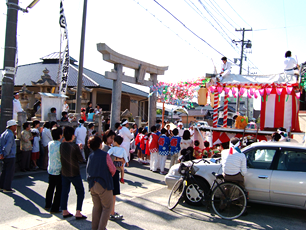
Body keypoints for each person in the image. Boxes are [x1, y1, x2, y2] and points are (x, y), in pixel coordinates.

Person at [87, 135, 116, 230]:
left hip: (92, 183)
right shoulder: (105, 155)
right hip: (103, 183)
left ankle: (94, 227)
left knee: (96, 207)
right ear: (100, 145)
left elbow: (87, 169)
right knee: (107, 207)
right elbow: (112, 169)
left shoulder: (90, 156)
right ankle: (101, 228)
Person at [60, 126, 86, 219]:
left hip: (64, 171)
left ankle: (64, 210)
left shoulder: (62, 145)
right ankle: (78, 212)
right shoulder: (74, 146)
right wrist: (79, 148)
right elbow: (81, 159)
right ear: (72, 135)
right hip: (74, 171)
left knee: (65, 191)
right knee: (80, 191)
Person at [101, 129, 123, 221]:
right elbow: (112, 159)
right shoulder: (106, 148)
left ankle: (110, 211)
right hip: (112, 172)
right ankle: (112, 212)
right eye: (111, 138)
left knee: (109, 194)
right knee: (113, 194)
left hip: (108, 173)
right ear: (106, 137)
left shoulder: (105, 146)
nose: (113, 140)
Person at [45, 127, 63, 213]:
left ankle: (47, 204)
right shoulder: (60, 145)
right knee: (58, 189)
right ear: (60, 135)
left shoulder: (50, 143)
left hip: (51, 168)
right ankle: (55, 207)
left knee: (50, 187)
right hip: (58, 169)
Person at [0, 120, 17, 193]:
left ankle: (1, 186)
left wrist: (1, 153)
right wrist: (5, 153)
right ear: (12, 126)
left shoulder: (3, 133)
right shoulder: (10, 134)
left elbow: (1, 145)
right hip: (9, 155)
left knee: (4, 171)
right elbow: (8, 146)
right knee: (9, 172)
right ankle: (7, 187)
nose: (16, 127)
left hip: (4, 155)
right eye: (15, 126)